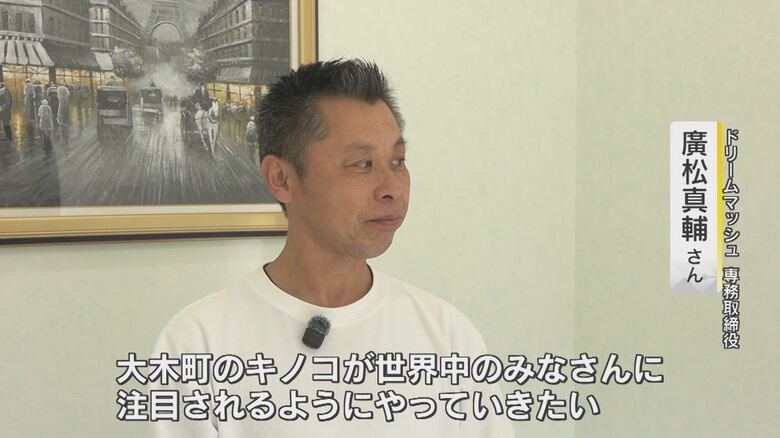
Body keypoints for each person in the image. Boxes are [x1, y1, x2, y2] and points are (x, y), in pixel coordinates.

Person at [151, 59, 514, 437]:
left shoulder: (449, 337)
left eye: (398, 161)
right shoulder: (197, 345)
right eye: (362, 164)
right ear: (281, 178)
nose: (392, 188)